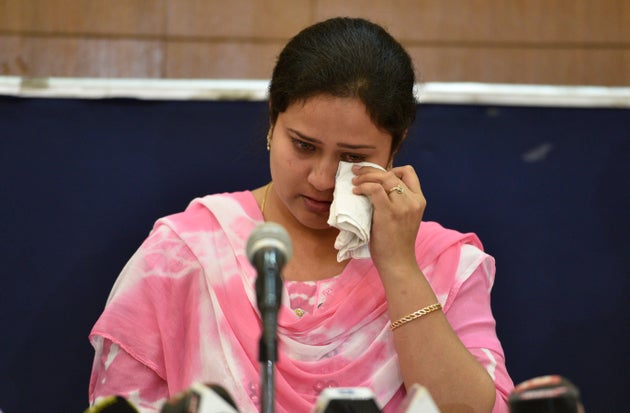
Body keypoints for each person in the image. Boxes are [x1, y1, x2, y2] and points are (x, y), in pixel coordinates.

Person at [88, 17, 513, 413]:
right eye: (304, 146)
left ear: (394, 149)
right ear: (273, 120)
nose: (322, 179)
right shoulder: (184, 253)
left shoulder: (440, 262)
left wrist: (400, 266)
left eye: (353, 157)